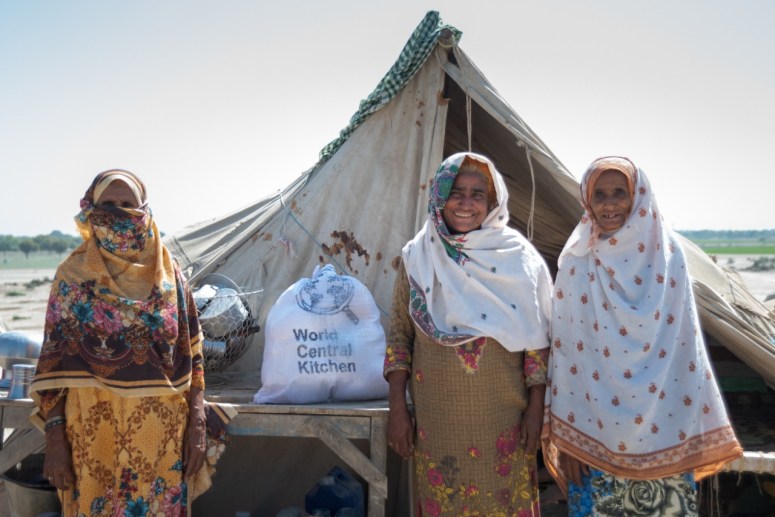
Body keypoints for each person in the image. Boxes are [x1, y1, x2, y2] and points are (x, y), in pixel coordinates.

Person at [542, 156, 743, 515]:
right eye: (599, 194)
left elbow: (687, 351)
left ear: (639, 197)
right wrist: (571, 442)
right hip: (595, 438)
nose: (609, 204)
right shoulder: (576, 261)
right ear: (587, 200)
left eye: (620, 193)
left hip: (665, 430)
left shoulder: (668, 257)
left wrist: (689, 433)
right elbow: (567, 356)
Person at [30, 169, 233, 516]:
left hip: (162, 440)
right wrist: (54, 438)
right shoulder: (72, 276)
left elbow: (193, 357)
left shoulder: (169, 275)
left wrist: (198, 423)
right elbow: (53, 369)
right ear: (91, 209)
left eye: (128, 204)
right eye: (108, 203)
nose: (119, 211)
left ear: (145, 210)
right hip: (94, 436)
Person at [384, 152, 553, 516]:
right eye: (456, 191)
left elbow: (538, 343)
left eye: (478, 194)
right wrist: (398, 406)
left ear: (493, 203)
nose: (465, 203)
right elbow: (400, 337)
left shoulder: (518, 259)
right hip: (437, 426)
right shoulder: (417, 257)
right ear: (439, 196)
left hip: (504, 424)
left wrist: (538, 407)